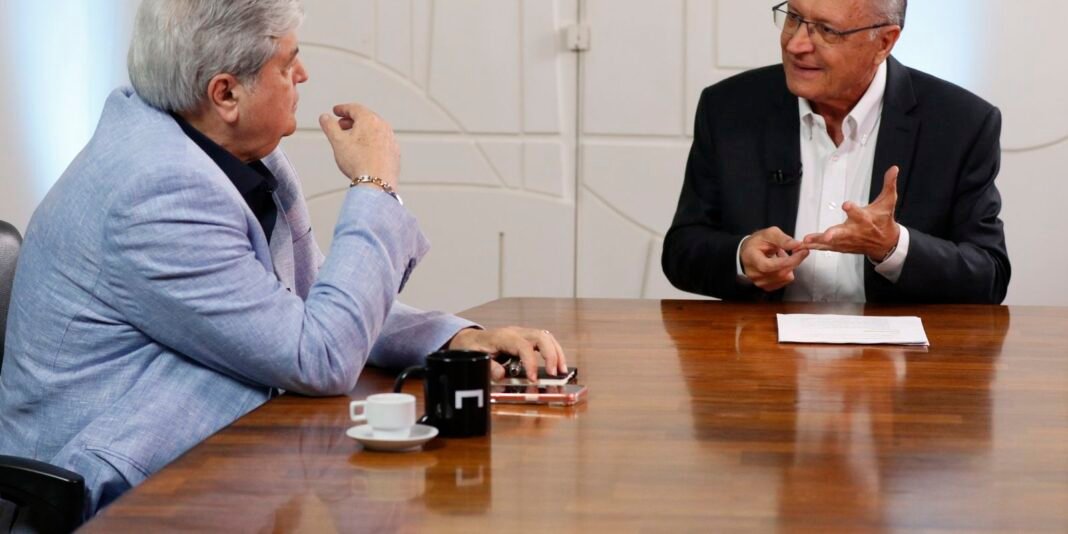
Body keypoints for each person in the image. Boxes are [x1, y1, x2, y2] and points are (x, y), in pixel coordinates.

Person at [0, 0, 566, 515]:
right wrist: (374, 185)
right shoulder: (157, 191)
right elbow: (319, 354)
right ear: (225, 94)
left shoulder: (234, 153)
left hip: (214, 461)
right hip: (114, 499)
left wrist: (451, 339)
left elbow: (309, 299)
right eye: (287, 63)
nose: (303, 75)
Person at [662, 0, 1010, 303]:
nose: (796, 44)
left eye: (827, 30)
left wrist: (893, 247)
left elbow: (989, 276)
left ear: (884, 42)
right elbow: (682, 251)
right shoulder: (728, 108)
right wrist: (741, 257)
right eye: (794, 17)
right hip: (762, 350)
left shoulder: (961, 124)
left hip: (897, 356)